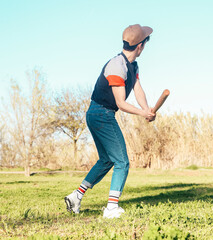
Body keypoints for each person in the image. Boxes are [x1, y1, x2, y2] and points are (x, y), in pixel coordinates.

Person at [64, 24, 155, 219]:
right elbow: (121, 103)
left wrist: (147, 109)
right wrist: (142, 114)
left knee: (106, 160)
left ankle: (76, 196)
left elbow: (138, 89)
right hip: (101, 114)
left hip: (100, 114)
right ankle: (112, 208)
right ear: (140, 46)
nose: (146, 45)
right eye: (146, 42)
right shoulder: (117, 65)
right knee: (122, 161)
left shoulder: (133, 66)